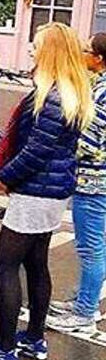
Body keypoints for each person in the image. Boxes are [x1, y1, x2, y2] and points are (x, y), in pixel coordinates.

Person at [0, 22, 91, 360]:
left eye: (36, 46)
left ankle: (4, 350)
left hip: (36, 193)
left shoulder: (49, 98)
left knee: (5, 263)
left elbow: (36, 152)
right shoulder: (67, 93)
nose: (30, 50)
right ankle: (33, 338)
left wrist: (4, 176)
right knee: (35, 263)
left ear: (50, 52)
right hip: (51, 193)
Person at [46, 32, 106, 332]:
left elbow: (90, 140)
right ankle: (85, 299)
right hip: (96, 180)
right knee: (96, 244)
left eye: (86, 51)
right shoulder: (99, 86)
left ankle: (84, 312)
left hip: (94, 180)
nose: (82, 55)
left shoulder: (103, 92)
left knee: (90, 246)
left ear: (98, 58)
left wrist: (64, 146)